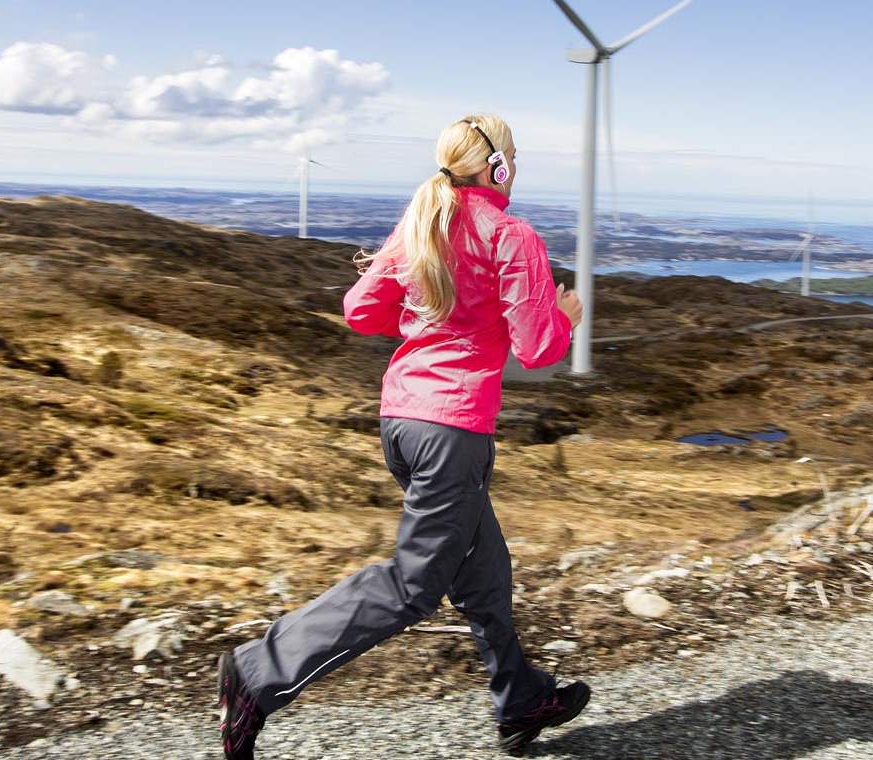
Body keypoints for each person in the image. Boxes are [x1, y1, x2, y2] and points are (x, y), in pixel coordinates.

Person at [218, 114, 592, 759]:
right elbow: (536, 350)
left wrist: (428, 325)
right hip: (452, 429)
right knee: (413, 585)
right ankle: (259, 671)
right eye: (513, 158)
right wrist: (562, 319)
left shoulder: (423, 222)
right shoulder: (511, 235)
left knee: (484, 569)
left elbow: (360, 310)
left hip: (402, 421)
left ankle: (522, 698)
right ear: (499, 167)